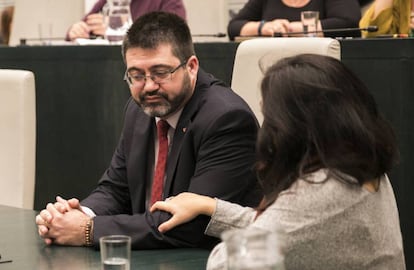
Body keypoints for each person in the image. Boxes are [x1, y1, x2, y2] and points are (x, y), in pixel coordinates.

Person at [151, 54, 406, 269]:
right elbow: (292, 228)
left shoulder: (321, 189)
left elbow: (226, 263)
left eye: (269, 115)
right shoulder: (357, 164)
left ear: (294, 125)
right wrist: (212, 206)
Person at [35, 11, 261, 249]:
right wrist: (75, 214)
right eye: (136, 75)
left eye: (161, 73)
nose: (149, 86)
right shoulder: (138, 109)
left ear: (192, 66)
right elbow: (116, 189)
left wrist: (88, 230)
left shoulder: (226, 119)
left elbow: (193, 226)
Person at [227, 0, 361, 40]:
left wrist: (293, 29)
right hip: (273, 67)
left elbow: (349, 22)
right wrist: (265, 27)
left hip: (324, 68)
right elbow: (234, 27)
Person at [66, 0, 186, 41]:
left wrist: (117, 29)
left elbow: (174, 35)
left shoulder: (169, 2)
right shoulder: (108, 2)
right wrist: (76, 30)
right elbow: (85, 24)